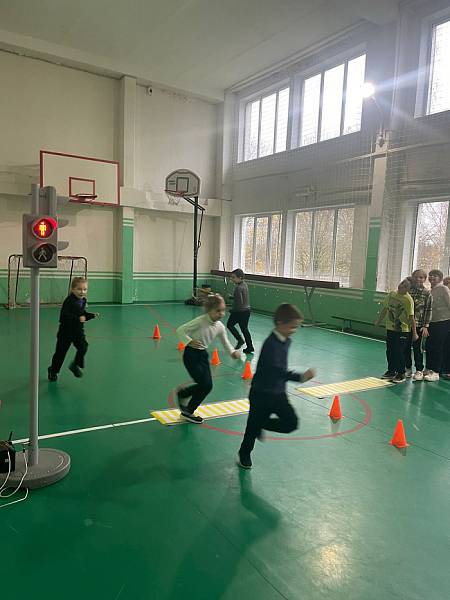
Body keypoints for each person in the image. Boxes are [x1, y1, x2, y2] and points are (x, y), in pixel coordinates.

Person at [237, 304, 315, 469]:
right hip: (261, 393)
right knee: (251, 429)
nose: (294, 330)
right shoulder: (270, 345)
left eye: (296, 327)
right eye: (292, 326)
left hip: (278, 393)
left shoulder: (286, 341)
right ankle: (244, 453)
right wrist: (301, 377)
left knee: (291, 423)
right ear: (280, 323)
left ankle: (261, 424)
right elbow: (278, 371)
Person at [176, 294, 240, 423]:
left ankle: (185, 400)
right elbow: (180, 330)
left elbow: (225, 341)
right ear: (209, 310)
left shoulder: (219, 326)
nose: (221, 314)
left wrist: (232, 352)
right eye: (218, 311)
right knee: (205, 384)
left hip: (203, 356)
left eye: (223, 310)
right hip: (191, 355)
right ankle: (187, 406)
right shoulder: (200, 321)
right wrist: (189, 341)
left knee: (208, 386)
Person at [48, 277, 99, 381]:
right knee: (60, 353)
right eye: (79, 289)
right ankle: (53, 370)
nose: (82, 292)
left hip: (78, 331)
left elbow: (82, 314)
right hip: (65, 332)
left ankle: (75, 365)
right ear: (72, 289)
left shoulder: (83, 300)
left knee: (83, 347)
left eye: (85, 289)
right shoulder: (68, 301)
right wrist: (77, 319)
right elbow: (64, 317)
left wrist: (91, 315)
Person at [374, 279, 418, 383]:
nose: (401, 286)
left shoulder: (408, 300)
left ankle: (401, 373)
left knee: (399, 351)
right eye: (402, 283)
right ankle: (391, 371)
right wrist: (378, 321)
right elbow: (385, 309)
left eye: (405, 286)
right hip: (391, 328)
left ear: (409, 289)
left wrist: (415, 333)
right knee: (390, 351)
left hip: (403, 330)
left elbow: (411, 317)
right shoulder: (391, 294)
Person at [404, 269, 432, 381]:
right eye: (416, 277)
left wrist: (426, 326)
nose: (418, 279)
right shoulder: (408, 291)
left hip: (419, 325)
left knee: (417, 348)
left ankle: (419, 370)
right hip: (406, 325)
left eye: (421, 277)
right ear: (412, 278)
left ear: (424, 279)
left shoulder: (427, 293)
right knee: (405, 347)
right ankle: (407, 368)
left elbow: (428, 310)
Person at [424, 270, 450, 382]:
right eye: (430, 275)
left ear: (440, 278)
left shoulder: (443, 289)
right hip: (431, 322)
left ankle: (436, 371)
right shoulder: (430, 291)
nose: (431, 277)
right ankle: (428, 368)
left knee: (438, 347)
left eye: (434, 276)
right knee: (429, 346)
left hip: (443, 322)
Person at [226, 268, 254, 354]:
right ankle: (250, 346)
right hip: (246, 311)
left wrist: (232, 310)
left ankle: (240, 340)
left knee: (229, 325)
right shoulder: (244, 285)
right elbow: (241, 298)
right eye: (231, 277)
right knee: (244, 329)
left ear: (240, 277)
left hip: (240, 312)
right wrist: (232, 297)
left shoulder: (238, 288)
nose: (232, 279)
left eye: (233, 277)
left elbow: (239, 303)